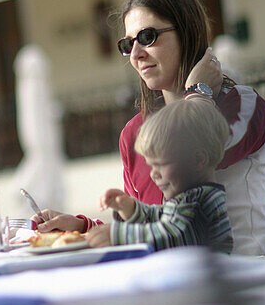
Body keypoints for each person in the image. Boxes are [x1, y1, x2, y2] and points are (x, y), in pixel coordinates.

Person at [34, 0, 265, 255]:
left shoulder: (243, 103)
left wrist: (197, 92)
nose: (136, 55)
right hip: (171, 278)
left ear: (186, 34)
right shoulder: (136, 133)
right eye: (127, 44)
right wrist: (82, 227)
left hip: (247, 277)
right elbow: (158, 224)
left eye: (148, 37)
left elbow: (197, 152)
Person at [83, 97, 232, 252]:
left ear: (198, 160)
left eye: (160, 165)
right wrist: (132, 209)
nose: (154, 174)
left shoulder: (203, 202)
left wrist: (120, 235)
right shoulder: (189, 198)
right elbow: (162, 216)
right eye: (151, 166)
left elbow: (174, 235)